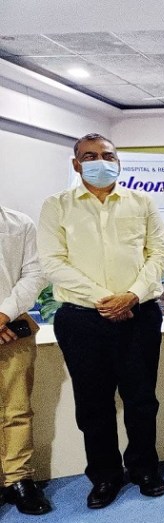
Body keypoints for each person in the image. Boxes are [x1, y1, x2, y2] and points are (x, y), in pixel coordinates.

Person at [38, 133, 164, 509]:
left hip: (139, 316)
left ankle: (144, 469)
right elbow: (52, 262)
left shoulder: (141, 202)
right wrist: (105, 300)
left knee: (141, 400)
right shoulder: (56, 206)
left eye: (108, 155)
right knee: (93, 404)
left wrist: (132, 295)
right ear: (76, 164)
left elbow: (160, 254)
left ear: (118, 161)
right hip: (81, 321)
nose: (100, 161)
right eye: (90, 156)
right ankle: (105, 476)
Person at [0, 206, 50, 515]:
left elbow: (35, 273)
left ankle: (18, 479)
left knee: (17, 409)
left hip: (12, 330)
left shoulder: (20, 223)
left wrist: (3, 314)